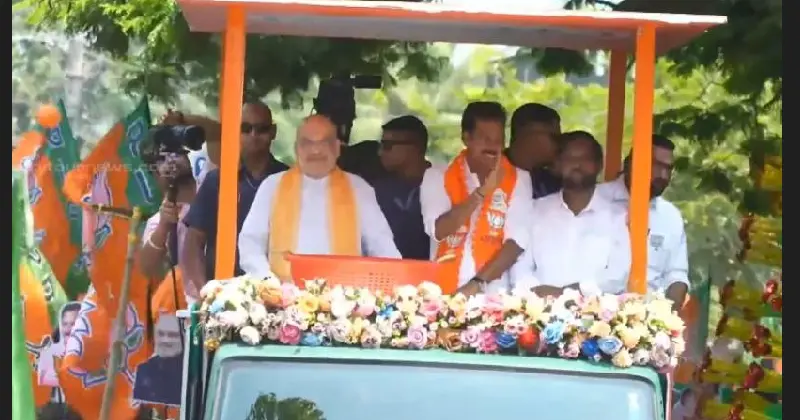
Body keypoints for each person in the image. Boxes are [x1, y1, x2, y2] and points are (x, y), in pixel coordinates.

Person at [239, 115, 401, 281]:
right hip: (283, 291)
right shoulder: (272, 185)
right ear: (296, 148)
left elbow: (383, 247)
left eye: (324, 142)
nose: (316, 151)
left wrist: (398, 283)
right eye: (307, 143)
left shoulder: (359, 188)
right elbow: (251, 242)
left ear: (337, 148)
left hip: (343, 293)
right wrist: (267, 280)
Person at [420, 102, 533, 295]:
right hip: (441, 291)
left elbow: (515, 243)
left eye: (498, 140)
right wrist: (482, 192)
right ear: (466, 138)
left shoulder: (519, 178)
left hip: (493, 293)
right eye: (485, 139)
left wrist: (477, 283)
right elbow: (438, 230)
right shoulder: (437, 176)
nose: (493, 146)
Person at [182, 101, 289, 289]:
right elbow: (193, 243)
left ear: (273, 132)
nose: (253, 135)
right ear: (235, 132)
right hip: (223, 293)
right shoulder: (217, 181)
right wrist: (204, 292)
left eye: (261, 129)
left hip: (278, 291)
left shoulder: (289, 181)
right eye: (246, 129)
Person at [510, 131, 630, 297]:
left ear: (599, 165)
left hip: (596, 310)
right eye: (569, 158)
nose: (577, 164)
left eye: (585, 158)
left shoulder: (619, 217)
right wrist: (535, 294)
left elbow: (617, 276)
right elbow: (520, 266)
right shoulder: (535, 210)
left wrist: (568, 292)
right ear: (557, 165)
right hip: (537, 308)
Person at [596, 134, 689, 309]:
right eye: (656, 166)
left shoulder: (670, 216)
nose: (663, 175)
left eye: (668, 169)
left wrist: (667, 316)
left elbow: (676, 275)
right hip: (594, 311)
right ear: (630, 164)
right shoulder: (595, 200)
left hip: (650, 316)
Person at [138, 143, 197, 302]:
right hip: (188, 306)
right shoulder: (157, 222)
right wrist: (163, 227)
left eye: (176, 152)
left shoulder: (214, 193)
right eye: (162, 158)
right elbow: (147, 268)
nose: (171, 160)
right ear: (155, 174)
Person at [372, 116, 431, 260]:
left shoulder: (443, 186)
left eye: (387, 146)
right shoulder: (376, 190)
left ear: (415, 148)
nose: (380, 152)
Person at [506, 103, 562, 198]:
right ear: (529, 135)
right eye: (554, 137)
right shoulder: (489, 175)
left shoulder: (553, 183)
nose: (560, 144)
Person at [132, 314, 184, 407]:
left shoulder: (191, 369)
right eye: (161, 334)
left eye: (172, 335)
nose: (165, 340)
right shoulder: (143, 370)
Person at [38, 302, 81, 388]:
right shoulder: (50, 349)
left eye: (73, 324)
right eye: (65, 324)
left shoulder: (94, 352)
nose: (67, 329)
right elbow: (43, 379)